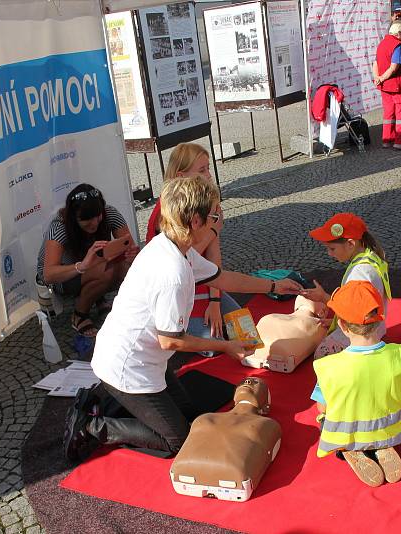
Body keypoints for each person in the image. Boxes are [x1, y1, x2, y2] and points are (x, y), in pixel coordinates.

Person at [63, 176, 302, 462]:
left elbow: (222, 278)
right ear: (196, 221)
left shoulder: (175, 246)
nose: (219, 220)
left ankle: (111, 403)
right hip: (127, 367)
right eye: (215, 214)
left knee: (190, 414)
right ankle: (93, 426)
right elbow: (169, 341)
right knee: (178, 442)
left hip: (143, 359)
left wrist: (274, 286)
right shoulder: (173, 272)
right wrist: (227, 346)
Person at [313, 281, 401, 487]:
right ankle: (381, 445)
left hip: (346, 434)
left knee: (323, 416)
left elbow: (322, 405)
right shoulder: (399, 354)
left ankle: (351, 450)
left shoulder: (329, 367)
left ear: (342, 325)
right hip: (390, 431)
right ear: (380, 319)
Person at [146, 143, 239, 357]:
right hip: (181, 291)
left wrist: (215, 301)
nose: (209, 175)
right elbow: (185, 259)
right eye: (202, 170)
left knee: (244, 329)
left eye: (208, 168)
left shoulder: (207, 203)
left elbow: (213, 258)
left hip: (204, 285)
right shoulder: (166, 214)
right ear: (181, 175)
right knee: (213, 346)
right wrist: (213, 231)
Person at [37, 183, 139, 337]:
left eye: (98, 216)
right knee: (105, 271)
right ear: (73, 217)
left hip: (93, 266)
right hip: (63, 274)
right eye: (86, 220)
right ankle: (79, 315)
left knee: (125, 266)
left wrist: (131, 254)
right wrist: (82, 266)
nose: (94, 223)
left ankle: (98, 298)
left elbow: (128, 245)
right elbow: (48, 274)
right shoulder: (60, 226)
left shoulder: (110, 213)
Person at [303, 213, 392, 358]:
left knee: (320, 355)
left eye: (332, 249)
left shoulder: (359, 273)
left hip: (363, 333)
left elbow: (355, 310)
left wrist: (324, 297)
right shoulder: (372, 256)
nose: (329, 254)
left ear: (351, 244)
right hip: (376, 327)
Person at [373, 21, 401, 150]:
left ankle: (387, 139)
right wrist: (382, 77)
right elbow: (394, 67)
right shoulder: (397, 45)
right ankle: (400, 141)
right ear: (399, 33)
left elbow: (375, 63)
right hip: (398, 85)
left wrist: (377, 78)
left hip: (385, 86)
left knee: (389, 113)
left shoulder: (382, 44)